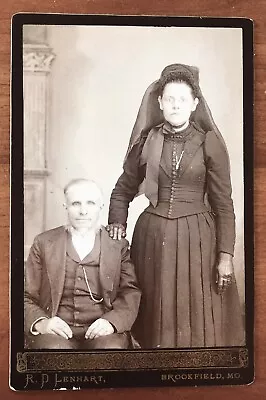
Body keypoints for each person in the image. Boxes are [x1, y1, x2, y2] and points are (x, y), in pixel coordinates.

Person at [107, 63, 245, 348]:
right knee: (154, 316)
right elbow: (123, 190)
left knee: (196, 319)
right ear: (159, 102)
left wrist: (225, 256)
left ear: (195, 103)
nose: (175, 105)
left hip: (199, 242)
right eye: (169, 99)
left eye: (182, 99)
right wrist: (117, 224)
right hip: (152, 241)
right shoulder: (147, 141)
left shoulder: (210, 144)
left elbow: (224, 205)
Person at [24, 179, 141, 349]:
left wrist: (112, 322)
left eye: (90, 203)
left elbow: (130, 292)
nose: (83, 211)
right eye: (75, 203)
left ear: (101, 207)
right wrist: (42, 323)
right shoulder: (44, 243)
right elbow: (25, 295)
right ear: (66, 207)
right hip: (57, 330)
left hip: (102, 329)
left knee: (110, 351)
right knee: (53, 351)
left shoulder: (117, 245)